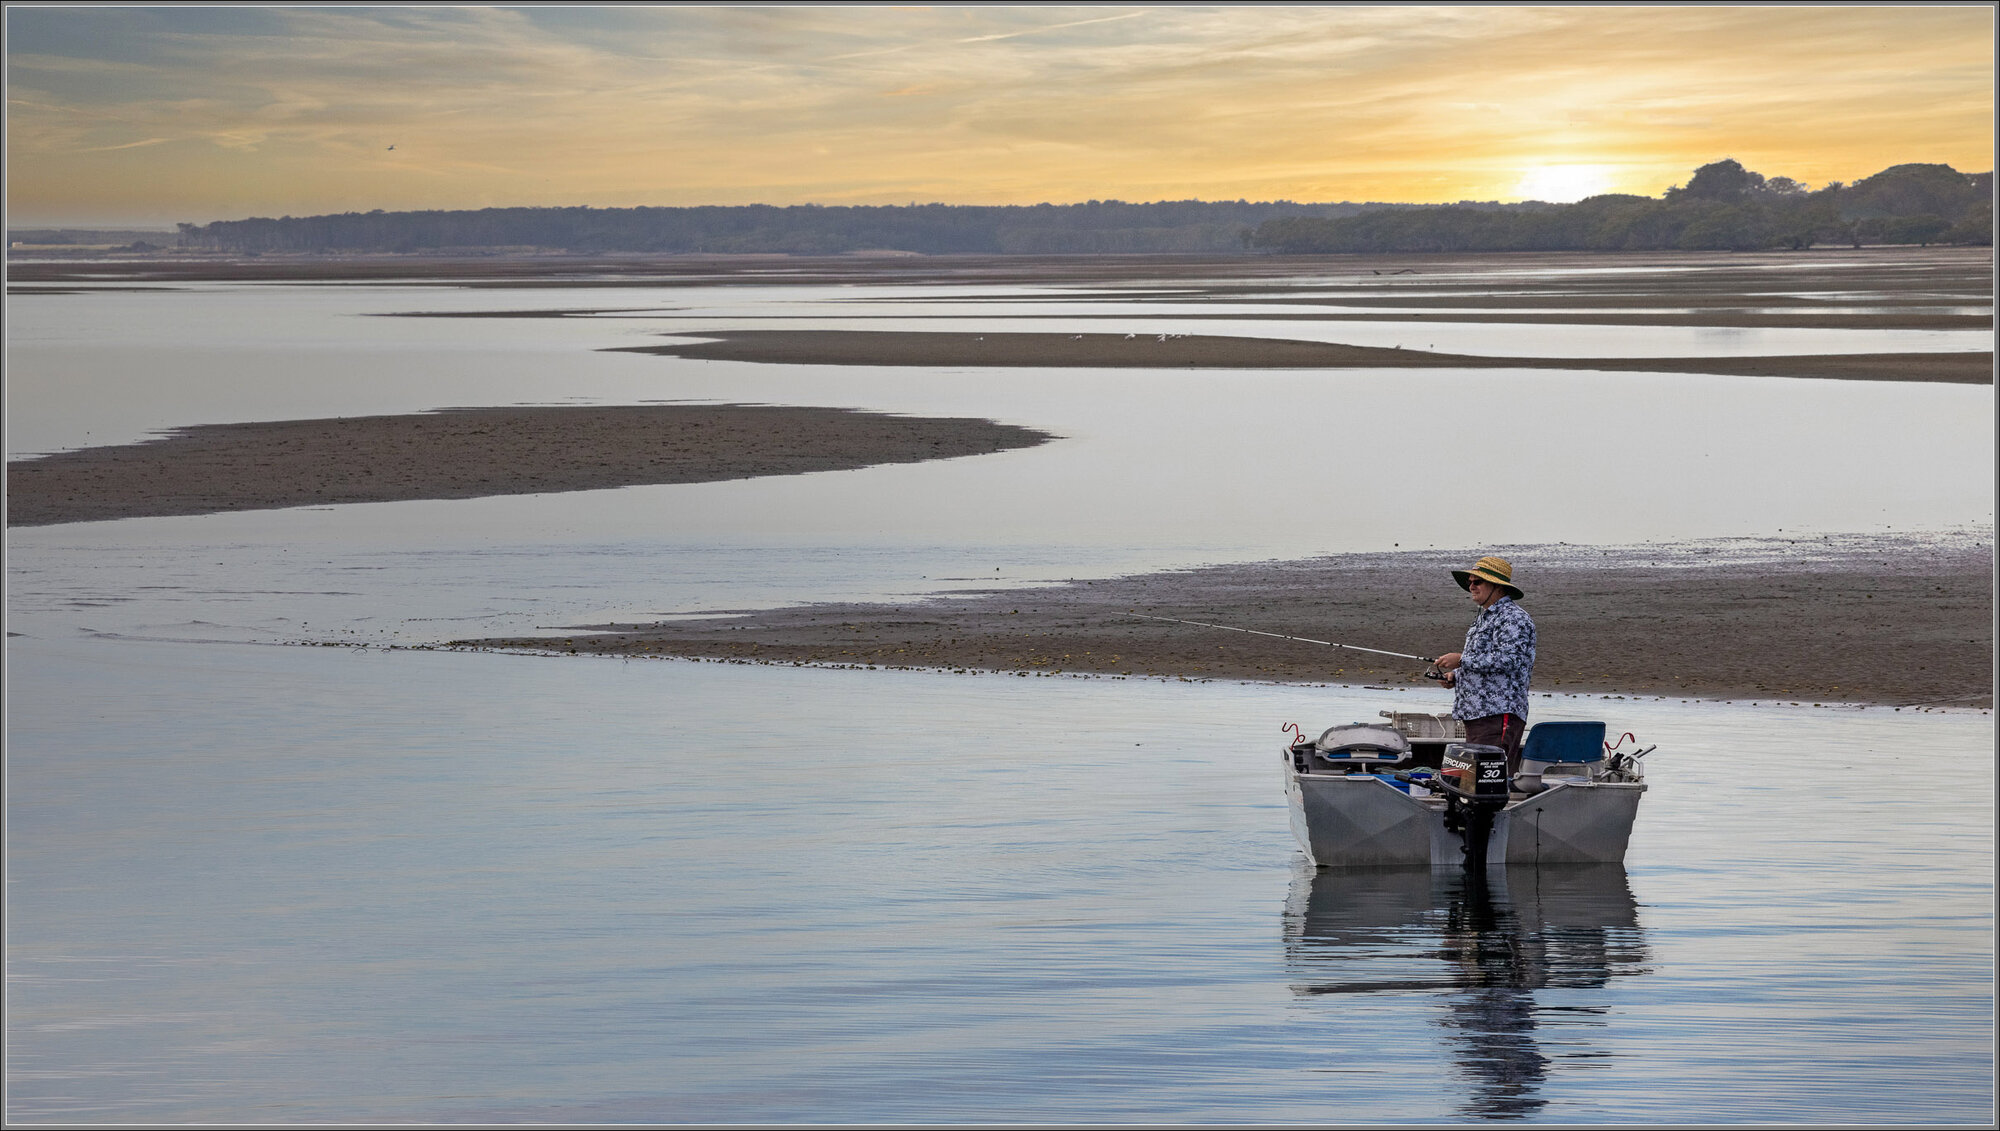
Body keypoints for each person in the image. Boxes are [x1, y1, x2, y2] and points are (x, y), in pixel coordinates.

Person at [1431, 556, 1535, 774]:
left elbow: (1509, 660)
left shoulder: (1513, 618)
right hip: (1476, 715)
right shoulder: (1484, 617)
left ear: (1497, 586)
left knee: (1488, 782)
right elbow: (1483, 661)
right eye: (1470, 581)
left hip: (1498, 715)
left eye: (1477, 581)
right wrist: (1456, 675)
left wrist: (1461, 660)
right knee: (1474, 783)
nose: (1471, 586)